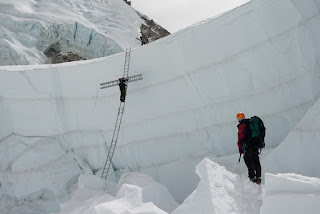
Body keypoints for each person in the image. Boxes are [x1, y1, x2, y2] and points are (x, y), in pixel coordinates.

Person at [236, 112, 262, 184]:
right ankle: (258, 177)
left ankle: (252, 178)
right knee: (256, 160)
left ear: (239, 118)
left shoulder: (242, 125)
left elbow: (240, 138)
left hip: (247, 146)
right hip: (255, 145)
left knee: (249, 161)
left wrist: (240, 149)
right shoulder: (249, 123)